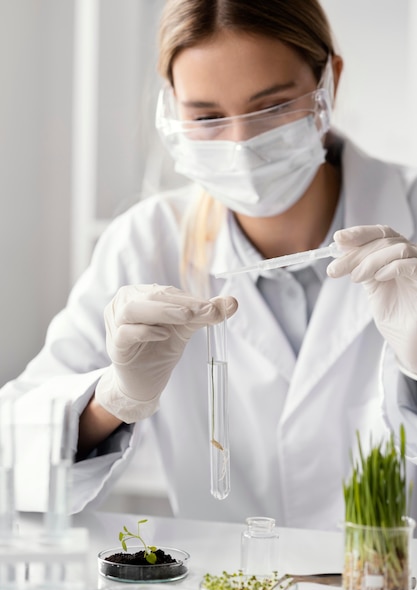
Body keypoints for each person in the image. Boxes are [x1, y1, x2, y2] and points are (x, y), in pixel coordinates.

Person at [2, 0, 417, 530]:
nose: (241, 147)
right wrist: (114, 398)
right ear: (173, 109)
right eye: (207, 117)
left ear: (329, 82)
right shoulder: (144, 243)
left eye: (272, 109)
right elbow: (14, 454)